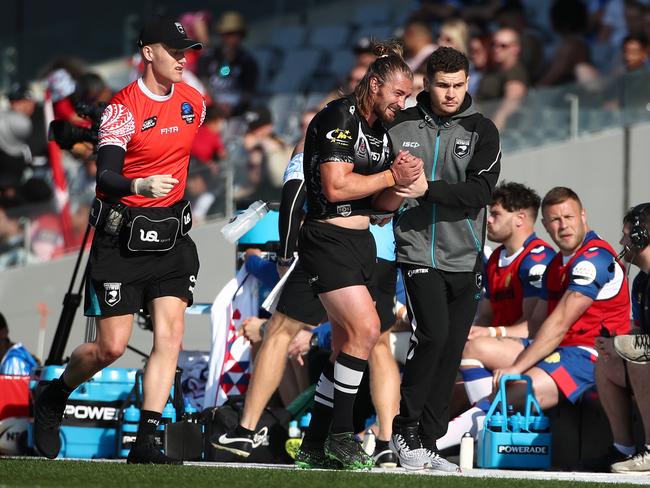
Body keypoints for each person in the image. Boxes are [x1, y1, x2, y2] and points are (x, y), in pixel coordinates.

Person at [32, 17, 205, 465]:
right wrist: (138, 185)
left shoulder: (194, 102)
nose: (184, 57)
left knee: (171, 335)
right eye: (174, 49)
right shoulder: (122, 108)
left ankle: (146, 442)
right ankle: (55, 394)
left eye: (186, 49)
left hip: (171, 238)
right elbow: (106, 178)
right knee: (110, 346)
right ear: (149, 53)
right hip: (122, 240)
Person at [296, 41, 422, 470]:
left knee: (347, 347)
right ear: (374, 85)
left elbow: (379, 207)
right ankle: (342, 436)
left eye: (407, 98)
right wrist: (390, 174)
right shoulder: (339, 118)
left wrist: (401, 186)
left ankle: (313, 443)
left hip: (362, 240)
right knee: (368, 330)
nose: (402, 104)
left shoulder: (379, 131)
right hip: (327, 239)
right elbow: (334, 187)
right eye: (399, 95)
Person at [386, 46, 501, 471]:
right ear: (427, 84)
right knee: (431, 334)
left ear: (467, 82)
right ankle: (405, 429)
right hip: (416, 249)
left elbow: (480, 192)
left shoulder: (482, 130)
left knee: (451, 349)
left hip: (467, 255)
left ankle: (426, 443)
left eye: (458, 85)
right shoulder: (400, 125)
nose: (451, 93)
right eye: (442, 85)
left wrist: (426, 190)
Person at [437, 182, 555, 449]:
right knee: (446, 388)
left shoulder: (537, 259)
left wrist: (489, 334)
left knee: (471, 346)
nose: (488, 220)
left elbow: (532, 328)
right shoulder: (495, 258)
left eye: (496, 214)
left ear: (520, 219)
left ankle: (490, 428)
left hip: (536, 350)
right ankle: (413, 440)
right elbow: (486, 317)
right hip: (502, 348)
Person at [586, 202, 650, 473]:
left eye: (627, 234)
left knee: (637, 358)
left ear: (640, 236)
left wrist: (626, 344)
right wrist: (617, 343)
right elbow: (640, 330)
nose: (622, 241)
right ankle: (623, 447)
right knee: (608, 362)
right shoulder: (641, 282)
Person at [198, 11, 258, 117]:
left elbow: (248, 91)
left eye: (236, 34)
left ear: (242, 35)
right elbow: (202, 83)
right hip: (210, 111)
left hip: (237, 113)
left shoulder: (248, 61)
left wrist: (234, 108)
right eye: (227, 34)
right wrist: (215, 105)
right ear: (221, 35)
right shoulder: (208, 57)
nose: (232, 39)